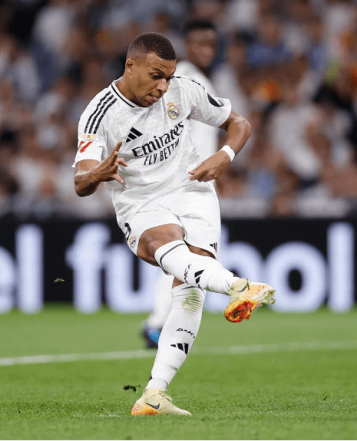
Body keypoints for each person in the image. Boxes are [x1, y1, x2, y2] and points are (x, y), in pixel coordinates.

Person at [73, 33, 276, 416]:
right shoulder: (100, 113)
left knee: (190, 292)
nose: (163, 86)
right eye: (155, 76)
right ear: (130, 66)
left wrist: (226, 155)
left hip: (192, 191)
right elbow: (80, 180)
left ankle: (153, 394)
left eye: (168, 76)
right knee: (174, 252)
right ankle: (239, 285)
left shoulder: (182, 91)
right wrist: (97, 173)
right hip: (142, 204)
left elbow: (240, 123)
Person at [141, 20, 222, 349]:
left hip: (194, 179)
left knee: (183, 254)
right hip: (184, 181)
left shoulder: (196, 78)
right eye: (199, 41)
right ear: (187, 45)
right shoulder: (184, 76)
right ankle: (160, 323)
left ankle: (159, 322)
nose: (207, 48)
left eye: (211, 43)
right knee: (192, 254)